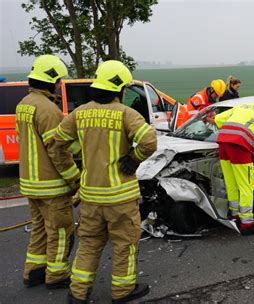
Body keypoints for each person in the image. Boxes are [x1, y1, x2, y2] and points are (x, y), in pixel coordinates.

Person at [50, 60, 157, 303]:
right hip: (121, 198)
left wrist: (76, 168)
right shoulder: (126, 114)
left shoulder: (80, 113)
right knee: (124, 244)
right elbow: (149, 141)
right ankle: (122, 291)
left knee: (88, 244)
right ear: (120, 88)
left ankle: (77, 293)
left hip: (90, 197)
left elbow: (57, 143)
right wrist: (134, 158)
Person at [16, 54, 77, 290]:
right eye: (59, 80)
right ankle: (57, 275)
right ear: (51, 81)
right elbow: (57, 150)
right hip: (51, 185)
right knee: (61, 232)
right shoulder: (48, 110)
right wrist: (75, 178)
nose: (61, 84)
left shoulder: (24, 104)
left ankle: (33, 272)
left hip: (30, 183)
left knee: (40, 229)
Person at [214, 97, 254, 235]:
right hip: (240, 145)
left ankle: (235, 214)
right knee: (246, 184)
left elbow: (219, 119)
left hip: (223, 143)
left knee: (231, 182)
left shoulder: (244, 106)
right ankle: (247, 223)